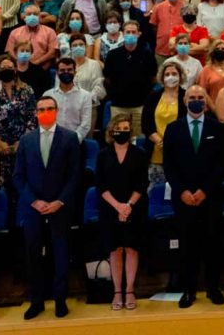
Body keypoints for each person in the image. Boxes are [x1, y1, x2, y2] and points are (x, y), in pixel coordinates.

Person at [14, 96, 80, 320]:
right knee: (33, 255)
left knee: (60, 253)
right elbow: (18, 177)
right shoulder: (26, 140)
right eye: (41, 109)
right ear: (36, 113)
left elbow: (74, 175)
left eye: (50, 108)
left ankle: (60, 300)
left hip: (59, 207)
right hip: (33, 208)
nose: (46, 112)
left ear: (57, 110)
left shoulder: (70, 138)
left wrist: (59, 201)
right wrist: (34, 201)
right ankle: (36, 301)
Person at [163, 85, 224, 308]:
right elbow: (169, 165)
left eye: (200, 97)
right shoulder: (173, 129)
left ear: (206, 101)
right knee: (187, 246)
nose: (196, 101)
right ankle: (188, 290)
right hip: (184, 198)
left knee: (212, 244)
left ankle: (213, 288)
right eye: (192, 98)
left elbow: (220, 164)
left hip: (210, 197)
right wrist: (182, 191)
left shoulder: (216, 128)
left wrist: (204, 190)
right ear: (185, 101)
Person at [96, 114, 147, 312]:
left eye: (126, 128)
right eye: (119, 128)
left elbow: (143, 183)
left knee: (131, 248)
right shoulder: (103, 154)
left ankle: (130, 289)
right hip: (110, 208)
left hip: (135, 207)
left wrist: (128, 206)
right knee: (115, 249)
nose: (122, 131)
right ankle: (117, 290)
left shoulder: (139, 154)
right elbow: (100, 184)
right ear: (111, 131)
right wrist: (118, 206)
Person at [0, 55, 37, 198]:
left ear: (16, 70)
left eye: (10, 67)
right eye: (3, 68)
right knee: (0, 191)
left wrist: (21, 142)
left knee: (22, 188)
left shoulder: (27, 90)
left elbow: (32, 118)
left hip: (22, 146)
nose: (7, 70)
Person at [103, 21, 157, 136]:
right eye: (128, 32)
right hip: (118, 106)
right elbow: (107, 80)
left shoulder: (147, 55)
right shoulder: (113, 55)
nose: (131, 34)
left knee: (138, 139)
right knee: (117, 137)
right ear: (123, 33)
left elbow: (153, 79)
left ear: (139, 34)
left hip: (140, 106)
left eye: (134, 32)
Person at [141, 62, 186, 185]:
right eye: (167, 74)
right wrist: (161, 142)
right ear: (162, 78)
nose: (171, 77)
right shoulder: (153, 97)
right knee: (155, 192)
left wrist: (171, 144)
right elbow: (146, 124)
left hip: (179, 152)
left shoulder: (186, 96)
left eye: (174, 74)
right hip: (156, 152)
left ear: (181, 76)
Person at [43, 57, 93, 143]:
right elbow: (45, 121)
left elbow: (85, 125)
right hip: (52, 142)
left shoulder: (86, 96)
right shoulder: (48, 95)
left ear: (75, 72)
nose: (66, 72)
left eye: (69, 70)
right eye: (62, 70)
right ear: (57, 73)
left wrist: (72, 141)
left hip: (75, 142)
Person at [5, 4, 58, 68]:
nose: (32, 16)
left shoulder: (50, 32)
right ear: (24, 17)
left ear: (39, 16)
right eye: (29, 14)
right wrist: (19, 62)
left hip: (42, 68)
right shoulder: (15, 32)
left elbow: (52, 53)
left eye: (35, 14)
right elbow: (9, 51)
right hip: (19, 68)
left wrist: (36, 63)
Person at [149, 0, 183, 65]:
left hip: (179, 51)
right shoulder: (158, 7)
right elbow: (154, 27)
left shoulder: (185, 7)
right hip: (161, 50)